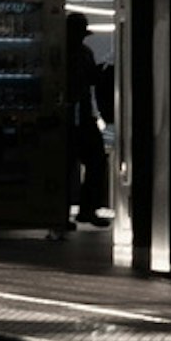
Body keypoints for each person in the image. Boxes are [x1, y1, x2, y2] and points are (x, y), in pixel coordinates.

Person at [62, 14, 112, 228]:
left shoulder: (64, 52)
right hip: (79, 114)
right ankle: (87, 209)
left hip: (69, 115)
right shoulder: (84, 53)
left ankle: (64, 213)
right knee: (95, 162)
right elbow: (92, 79)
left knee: (66, 167)